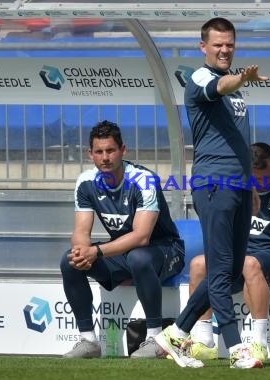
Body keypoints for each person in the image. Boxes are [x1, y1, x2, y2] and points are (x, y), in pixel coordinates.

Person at [154, 17, 268, 369]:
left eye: (229, 44)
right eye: (218, 44)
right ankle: (236, 349)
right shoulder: (200, 77)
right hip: (214, 185)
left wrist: (249, 184)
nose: (224, 49)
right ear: (203, 46)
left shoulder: (235, 86)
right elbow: (221, 87)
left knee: (231, 272)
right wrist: (241, 79)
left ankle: (175, 334)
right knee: (220, 272)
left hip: (236, 186)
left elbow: (237, 139)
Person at [61, 120, 185, 359]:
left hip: (165, 250)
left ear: (123, 150)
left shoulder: (144, 180)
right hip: (124, 254)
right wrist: (81, 251)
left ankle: (156, 339)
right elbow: (80, 230)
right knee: (69, 262)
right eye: (99, 152)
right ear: (91, 154)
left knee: (138, 257)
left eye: (110, 150)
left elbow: (141, 236)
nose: (105, 157)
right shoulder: (85, 182)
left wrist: (95, 252)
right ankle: (88, 340)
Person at [186, 142, 270, 362]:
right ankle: (205, 341)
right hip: (245, 258)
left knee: (249, 263)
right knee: (199, 264)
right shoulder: (237, 185)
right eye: (257, 180)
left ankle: (259, 344)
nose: (263, 184)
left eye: (268, 178)